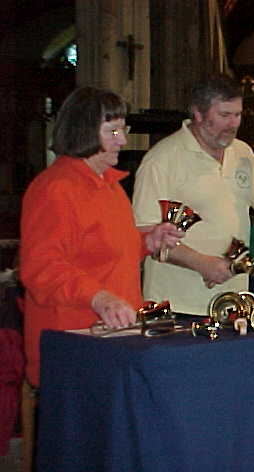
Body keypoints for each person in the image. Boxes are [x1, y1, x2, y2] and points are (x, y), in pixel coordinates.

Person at [20, 86, 183, 388]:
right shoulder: (55, 189)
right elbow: (41, 268)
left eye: (123, 129)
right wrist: (100, 297)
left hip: (113, 339)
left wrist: (146, 242)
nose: (122, 140)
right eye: (113, 131)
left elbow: (103, 251)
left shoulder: (110, 186)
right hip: (73, 342)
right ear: (84, 132)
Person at [133, 74, 254, 316]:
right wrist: (201, 263)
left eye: (237, 114)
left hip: (232, 303)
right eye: (224, 115)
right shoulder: (161, 161)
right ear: (198, 113)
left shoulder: (242, 153)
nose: (233, 124)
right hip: (177, 305)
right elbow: (143, 234)